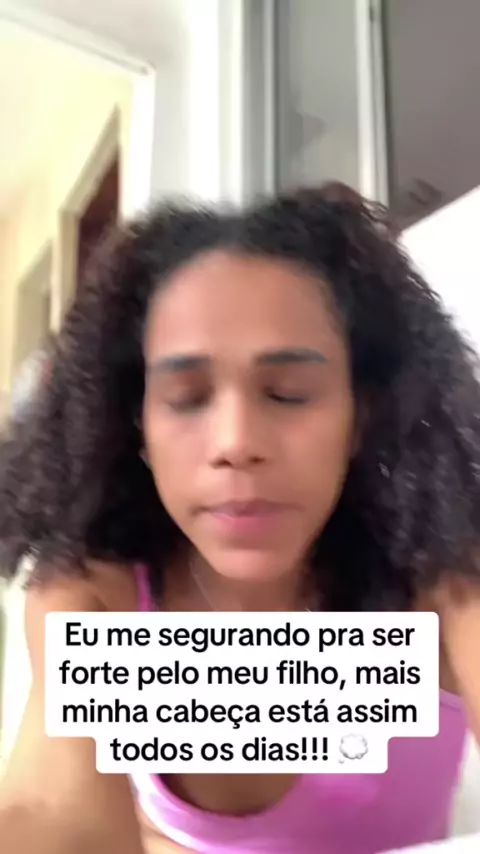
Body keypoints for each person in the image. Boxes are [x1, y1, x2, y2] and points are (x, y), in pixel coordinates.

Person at [0, 184, 480, 854]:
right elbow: (49, 810)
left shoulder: (439, 573)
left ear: (359, 417)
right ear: (138, 428)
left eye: (288, 393)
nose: (235, 442)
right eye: (186, 398)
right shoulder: (96, 593)